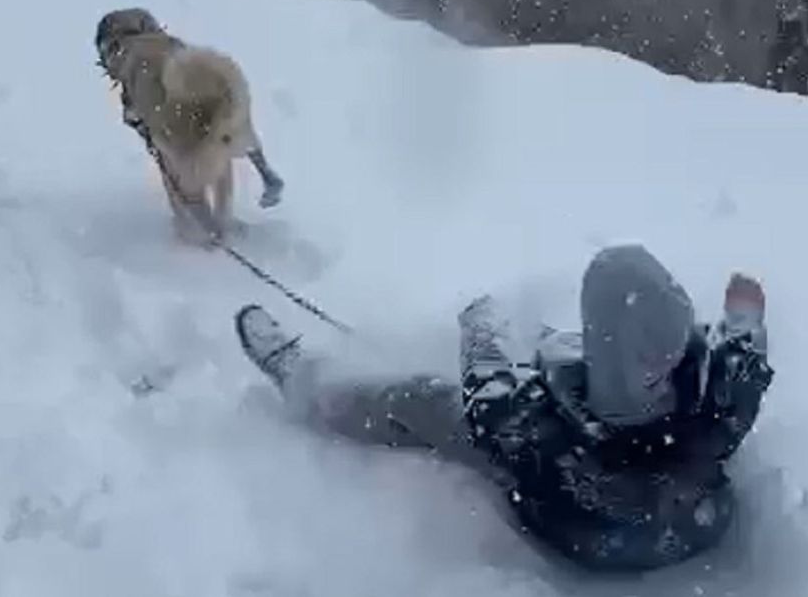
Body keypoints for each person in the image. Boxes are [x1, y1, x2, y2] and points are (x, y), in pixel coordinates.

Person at [235, 244, 775, 572]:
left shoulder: (538, 433)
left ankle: (309, 385)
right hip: (694, 518)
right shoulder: (714, 390)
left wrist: (481, 328)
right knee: (554, 352)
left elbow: (487, 396)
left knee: (425, 400)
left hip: (591, 530)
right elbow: (743, 361)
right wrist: (746, 313)